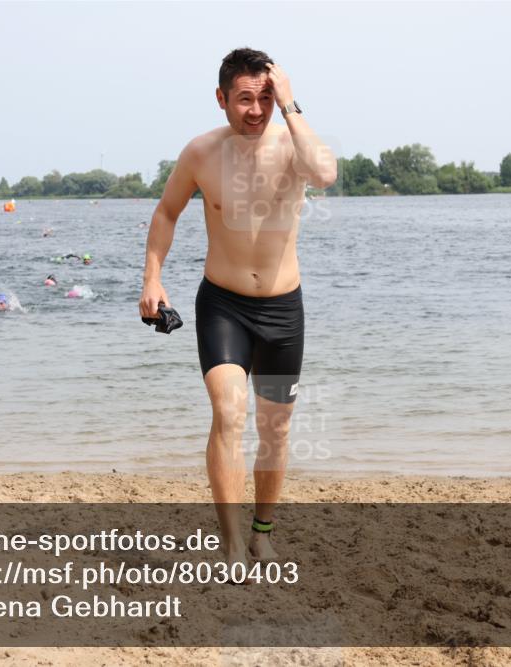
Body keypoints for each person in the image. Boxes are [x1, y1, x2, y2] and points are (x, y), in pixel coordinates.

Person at [138, 48, 336, 568]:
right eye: (245, 98)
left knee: (275, 429)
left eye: (265, 98)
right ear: (221, 98)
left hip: (282, 311)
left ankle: (262, 532)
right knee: (228, 414)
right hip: (222, 304)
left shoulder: (293, 145)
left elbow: (325, 174)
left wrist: (291, 104)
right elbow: (166, 212)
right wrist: (152, 278)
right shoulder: (202, 152)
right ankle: (229, 543)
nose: (255, 109)